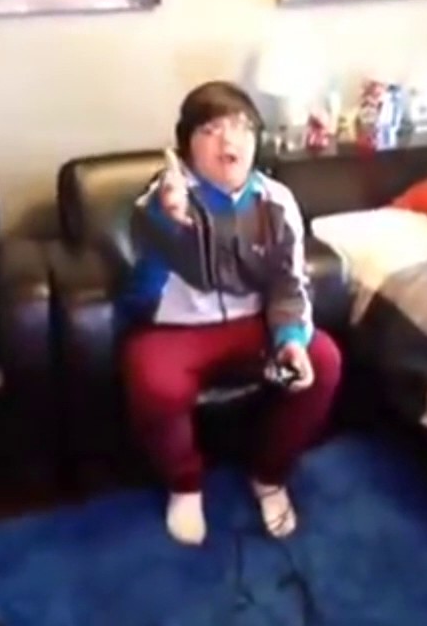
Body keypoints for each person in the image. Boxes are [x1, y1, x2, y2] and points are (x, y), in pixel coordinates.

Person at [119, 80, 343, 546]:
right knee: (154, 382)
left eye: (241, 127)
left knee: (323, 360)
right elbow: (150, 233)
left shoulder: (276, 201)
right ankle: (184, 483)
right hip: (176, 326)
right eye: (211, 130)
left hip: (252, 323)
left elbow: (288, 284)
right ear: (186, 146)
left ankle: (269, 475)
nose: (229, 140)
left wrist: (291, 341)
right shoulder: (166, 197)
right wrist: (168, 216)